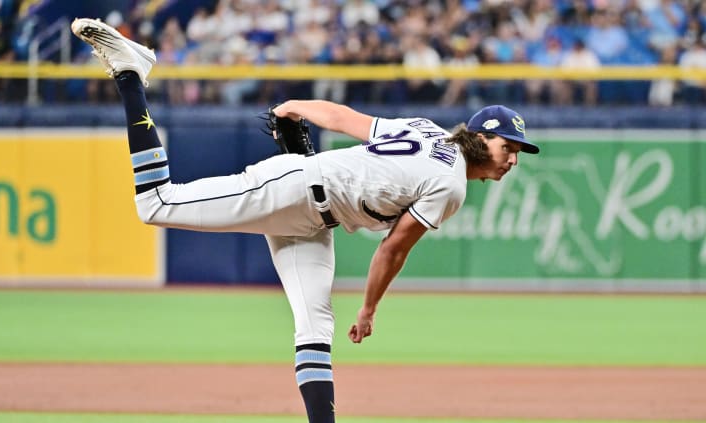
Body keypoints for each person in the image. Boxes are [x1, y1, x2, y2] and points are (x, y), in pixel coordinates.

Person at [71, 17, 540, 423]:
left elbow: (342, 117)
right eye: (508, 148)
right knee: (156, 203)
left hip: (315, 222)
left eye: (516, 153)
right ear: (481, 137)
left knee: (315, 328)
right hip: (293, 187)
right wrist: (370, 308)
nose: (511, 160)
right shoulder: (452, 185)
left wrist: (292, 107)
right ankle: (133, 72)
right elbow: (394, 248)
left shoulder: (425, 128)